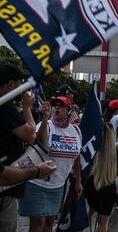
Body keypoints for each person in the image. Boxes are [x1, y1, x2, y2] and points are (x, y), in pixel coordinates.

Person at [19, 96, 83, 232]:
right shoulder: (47, 125)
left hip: (58, 185)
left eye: (61, 105)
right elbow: (40, 141)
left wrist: (78, 181)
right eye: (55, 105)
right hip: (38, 183)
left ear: (69, 110)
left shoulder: (76, 131)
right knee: (37, 224)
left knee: (49, 222)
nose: (56, 108)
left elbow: (76, 156)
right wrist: (44, 118)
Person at [0, 63, 37, 232]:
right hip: (6, 181)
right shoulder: (5, 106)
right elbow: (30, 134)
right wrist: (27, 108)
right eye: (19, 83)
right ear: (10, 85)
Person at [85, 123, 118, 232]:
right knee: (103, 224)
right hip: (108, 187)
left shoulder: (94, 146)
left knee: (88, 214)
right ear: (113, 134)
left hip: (92, 184)